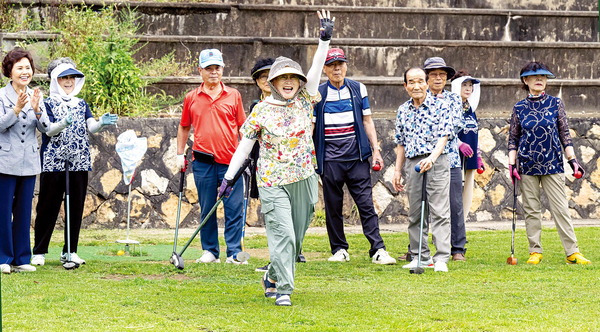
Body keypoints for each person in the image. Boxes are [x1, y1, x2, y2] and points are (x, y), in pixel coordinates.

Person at [220, 9, 335, 306]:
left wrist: (324, 41)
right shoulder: (261, 110)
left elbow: (317, 69)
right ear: (271, 82)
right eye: (281, 78)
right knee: (283, 233)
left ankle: (272, 272)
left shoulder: (305, 99)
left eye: (292, 78)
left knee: (296, 236)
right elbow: (245, 147)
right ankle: (284, 288)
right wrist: (229, 177)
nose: (288, 82)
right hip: (272, 180)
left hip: (305, 176)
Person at [30, 58, 118, 267]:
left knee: (75, 205)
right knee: (47, 206)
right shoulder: (47, 103)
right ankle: (40, 251)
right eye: (64, 78)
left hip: (78, 159)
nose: (68, 81)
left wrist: (101, 123)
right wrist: (63, 123)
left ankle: (70, 251)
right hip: (54, 160)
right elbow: (48, 130)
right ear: (55, 80)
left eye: (72, 77)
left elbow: (91, 127)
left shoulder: (81, 104)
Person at [313, 48, 396, 265]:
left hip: (357, 157)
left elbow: (367, 121)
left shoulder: (358, 88)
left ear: (346, 66)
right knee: (333, 206)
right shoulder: (318, 93)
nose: (336, 68)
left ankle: (378, 249)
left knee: (366, 205)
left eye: (340, 63)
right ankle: (339, 249)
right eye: (331, 64)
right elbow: (312, 126)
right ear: (325, 69)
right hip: (329, 159)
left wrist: (375, 149)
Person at [508, 61, 590, 265]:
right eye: (535, 77)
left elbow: (564, 134)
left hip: (552, 163)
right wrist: (511, 165)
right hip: (526, 165)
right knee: (531, 210)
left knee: (560, 208)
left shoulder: (556, 104)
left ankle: (572, 252)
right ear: (525, 81)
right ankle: (535, 251)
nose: (539, 80)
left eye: (543, 77)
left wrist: (573, 160)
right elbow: (513, 139)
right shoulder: (519, 107)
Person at [176, 48, 247, 264]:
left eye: (217, 68)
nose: (213, 72)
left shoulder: (233, 95)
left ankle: (234, 252)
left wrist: (247, 154)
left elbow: (243, 126)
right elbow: (184, 127)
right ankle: (210, 251)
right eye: (209, 68)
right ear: (200, 70)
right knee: (207, 208)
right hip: (203, 162)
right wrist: (180, 154)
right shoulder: (191, 98)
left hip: (231, 162)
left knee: (234, 208)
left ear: (222, 69)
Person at [393, 67, 454, 273]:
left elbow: (444, 137)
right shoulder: (403, 110)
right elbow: (400, 142)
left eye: (420, 81)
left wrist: (432, 158)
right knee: (415, 213)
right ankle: (420, 256)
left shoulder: (441, 105)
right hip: (412, 162)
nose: (416, 86)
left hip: (436, 161)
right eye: (411, 82)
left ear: (426, 83)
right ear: (405, 86)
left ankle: (441, 258)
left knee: (439, 211)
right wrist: (397, 170)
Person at [0, 48, 50, 274]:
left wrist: (38, 110)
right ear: (9, 71)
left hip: (29, 162)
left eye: (27, 68)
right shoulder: (1, 96)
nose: (24, 72)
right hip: (4, 160)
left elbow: (47, 129)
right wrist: (17, 109)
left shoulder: (36, 95)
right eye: (19, 67)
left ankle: (21, 258)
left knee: (23, 212)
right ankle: (3, 257)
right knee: (3, 211)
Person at [423, 57, 468, 261]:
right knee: (421, 203)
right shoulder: (419, 98)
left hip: (450, 158)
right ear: (426, 78)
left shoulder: (453, 99)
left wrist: (437, 129)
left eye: (442, 75)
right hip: (423, 157)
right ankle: (417, 247)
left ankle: (457, 247)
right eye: (433, 75)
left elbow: (457, 124)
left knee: (454, 204)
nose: (438, 78)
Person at [450, 71, 485, 220]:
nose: (468, 88)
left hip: (469, 158)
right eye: (464, 84)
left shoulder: (471, 110)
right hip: (453, 158)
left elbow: (474, 134)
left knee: (467, 193)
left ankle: (460, 228)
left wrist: (478, 156)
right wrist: (459, 144)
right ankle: (447, 228)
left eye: (470, 85)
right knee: (452, 194)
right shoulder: (450, 107)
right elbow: (446, 131)